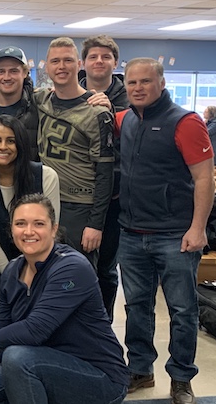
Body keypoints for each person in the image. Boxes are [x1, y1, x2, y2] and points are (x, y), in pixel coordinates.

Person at [0, 194, 128, 404]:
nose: (28, 231)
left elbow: (36, 329)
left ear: (54, 229)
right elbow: (1, 334)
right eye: (20, 224)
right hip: (42, 364)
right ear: (11, 229)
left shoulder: (73, 267)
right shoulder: (12, 271)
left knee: (18, 358)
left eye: (38, 224)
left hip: (99, 376)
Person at [117, 57, 214, 404]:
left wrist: (197, 228)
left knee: (182, 310)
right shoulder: (125, 119)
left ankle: (181, 378)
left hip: (175, 236)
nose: (138, 88)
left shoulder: (185, 122)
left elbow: (205, 178)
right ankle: (140, 370)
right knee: (136, 308)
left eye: (145, 81)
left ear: (161, 83)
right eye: (131, 82)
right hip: (130, 233)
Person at [36, 37, 115, 269]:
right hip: (46, 202)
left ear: (79, 64)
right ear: (47, 66)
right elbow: (9, 84)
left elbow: (105, 173)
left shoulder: (98, 112)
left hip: (80, 207)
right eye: (56, 61)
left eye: (68, 60)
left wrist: (96, 224)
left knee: (77, 276)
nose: (62, 67)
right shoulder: (40, 100)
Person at [0, 115, 60, 284]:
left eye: (10, 141)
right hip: (0, 271)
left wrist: (34, 273)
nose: (2, 147)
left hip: (45, 266)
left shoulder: (46, 176)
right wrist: (13, 275)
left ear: (20, 145)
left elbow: (50, 231)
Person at [80, 34, 126, 320]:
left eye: (105, 56)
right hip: (74, 197)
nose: (99, 61)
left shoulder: (131, 99)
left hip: (113, 199)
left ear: (115, 62)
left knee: (106, 270)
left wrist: (113, 112)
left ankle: (104, 327)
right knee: (71, 267)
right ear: (83, 63)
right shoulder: (69, 93)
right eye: (93, 56)